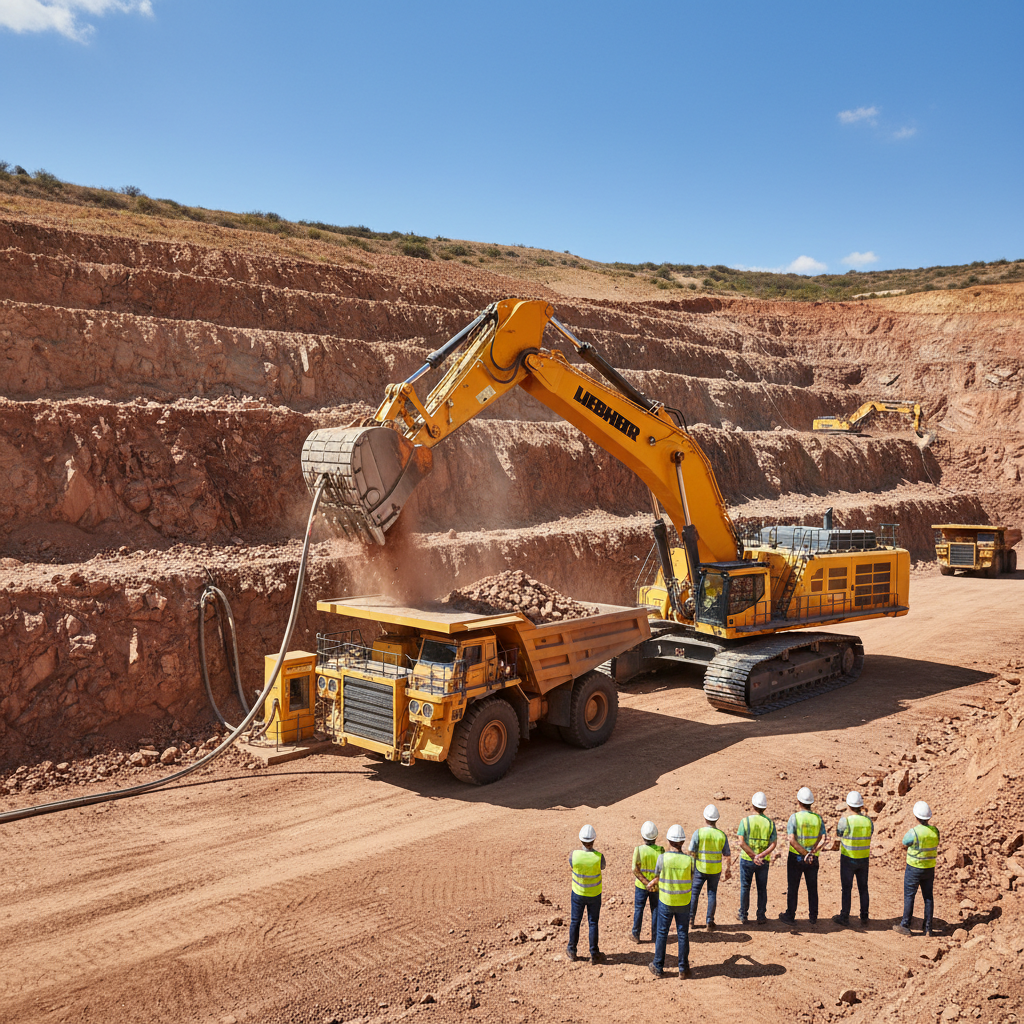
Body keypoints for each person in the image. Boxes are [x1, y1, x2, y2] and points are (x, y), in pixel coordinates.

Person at [649, 824, 693, 979]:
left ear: (669, 841)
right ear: (682, 842)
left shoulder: (662, 858)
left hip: (666, 902)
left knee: (662, 933)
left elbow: (657, 876)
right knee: (683, 934)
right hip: (684, 902)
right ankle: (683, 968)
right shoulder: (689, 860)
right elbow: (691, 878)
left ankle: (658, 966)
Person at [779, 786, 826, 925]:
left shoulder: (794, 818)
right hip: (812, 858)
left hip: (796, 857)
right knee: (812, 887)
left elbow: (792, 839)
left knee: (793, 887)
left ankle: (790, 915)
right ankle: (813, 916)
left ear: (798, 802)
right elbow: (823, 839)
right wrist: (811, 853)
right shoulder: (818, 818)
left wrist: (804, 853)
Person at [893, 801, 940, 937]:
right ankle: (928, 929)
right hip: (929, 869)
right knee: (928, 898)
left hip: (914, 868)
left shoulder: (914, 832)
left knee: (909, 896)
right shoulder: (935, 831)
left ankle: (905, 925)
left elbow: (904, 842)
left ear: (916, 816)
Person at [832, 790, 873, 927]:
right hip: (864, 859)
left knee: (847, 888)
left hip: (848, 858)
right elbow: (871, 832)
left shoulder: (846, 820)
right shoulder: (868, 821)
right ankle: (864, 915)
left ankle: (844, 916)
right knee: (863, 888)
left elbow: (839, 833)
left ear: (848, 805)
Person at [567, 824, 606, 963]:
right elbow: (603, 866)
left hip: (578, 893)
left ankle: (572, 950)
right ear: (594, 840)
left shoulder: (574, 855)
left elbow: (571, 864)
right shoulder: (598, 857)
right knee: (593, 923)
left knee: (575, 921)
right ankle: (594, 953)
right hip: (594, 895)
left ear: (581, 840)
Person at [689, 804, 732, 929]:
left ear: (705, 818)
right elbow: (727, 854)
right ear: (716, 819)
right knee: (712, 894)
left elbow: (692, 852)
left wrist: (690, 869)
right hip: (715, 870)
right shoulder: (721, 835)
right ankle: (709, 921)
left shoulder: (699, 833)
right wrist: (728, 869)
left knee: (694, 894)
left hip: (700, 868)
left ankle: (691, 920)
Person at [737, 791, 777, 924]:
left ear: (752, 805)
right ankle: (761, 916)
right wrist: (761, 855)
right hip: (763, 861)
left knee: (745, 887)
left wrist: (753, 855)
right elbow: (773, 844)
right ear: (765, 807)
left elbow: (741, 842)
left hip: (747, 860)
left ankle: (743, 915)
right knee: (762, 888)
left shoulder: (745, 821)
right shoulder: (770, 823)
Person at [631, 820, 664, 942]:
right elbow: (663, 870)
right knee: (655, 909)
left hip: (641, 886)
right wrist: (652, 882)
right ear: (655, 837)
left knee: (639, 909)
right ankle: (655, 936)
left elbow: (635, 869)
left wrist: (645, 883)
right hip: (656, 886)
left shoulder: (639, 850)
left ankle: (636, 934)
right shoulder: (660, 851)